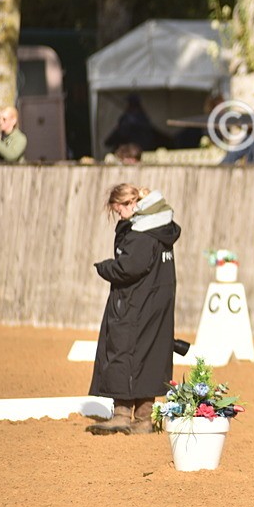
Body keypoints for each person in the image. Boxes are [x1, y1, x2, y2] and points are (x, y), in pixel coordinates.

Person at [87, 185, 181, 435]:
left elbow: (129, 268)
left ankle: (121, 415)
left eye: (119, 210)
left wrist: (104, 267)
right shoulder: (161, 228)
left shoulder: (141, 233)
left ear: (129, 203)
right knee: (150, 354)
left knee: (123, 350)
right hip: (157, 302)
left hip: (136, 302)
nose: (119, 216)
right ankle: (143, 418)